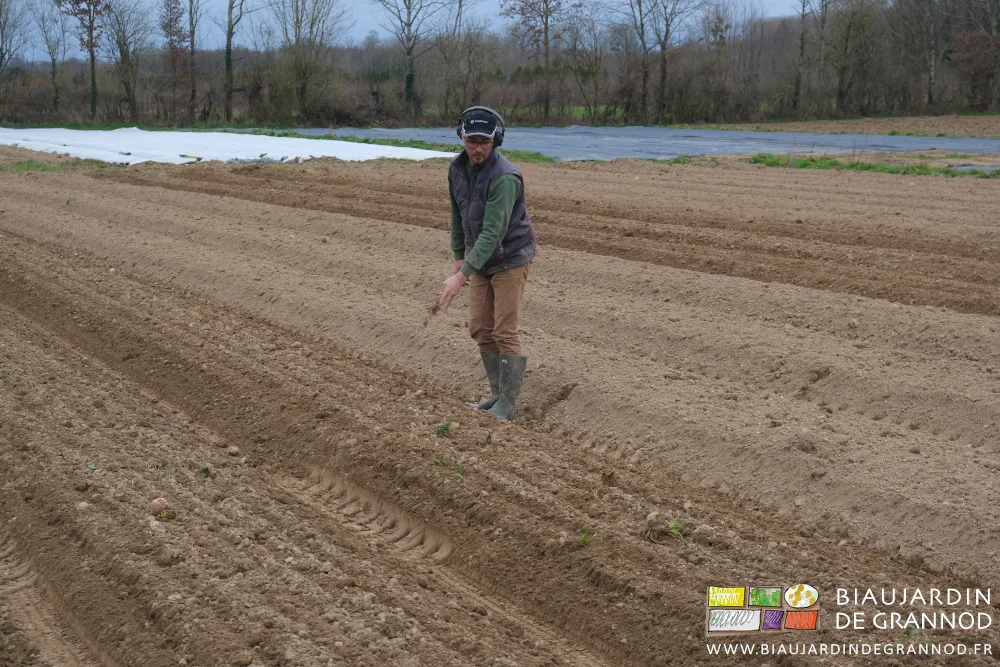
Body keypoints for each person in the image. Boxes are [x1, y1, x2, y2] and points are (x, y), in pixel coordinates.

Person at [438, 106, 537, 422]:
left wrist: (461, 276)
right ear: (462, 138)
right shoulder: (456, 169)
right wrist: (459, 256)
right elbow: (458, 215)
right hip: (481, 259)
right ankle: (496, 394)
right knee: (481, 328)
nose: (478, 148)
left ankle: (507, 405)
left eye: (485, 142)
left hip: (510, 258)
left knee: (504, 330)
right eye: (472, 141)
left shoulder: (505, 177)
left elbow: (493, 233)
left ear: (496, 140)